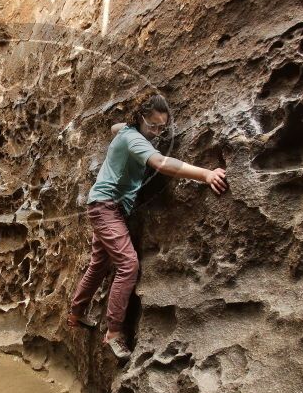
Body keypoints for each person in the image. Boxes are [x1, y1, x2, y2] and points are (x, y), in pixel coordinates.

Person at [67, 94, 227, 359]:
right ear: (140, 118)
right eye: (152, 125)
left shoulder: (126, 131)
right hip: (107, 207)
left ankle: (76, 313)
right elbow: (161, 163)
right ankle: (114, 333)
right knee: (128, 265)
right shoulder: (133, 139)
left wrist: (135, 130)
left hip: (104, 205)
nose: (156, 132)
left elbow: (114, 127)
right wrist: (206, 174)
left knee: (99, 264)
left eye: (161, 128)